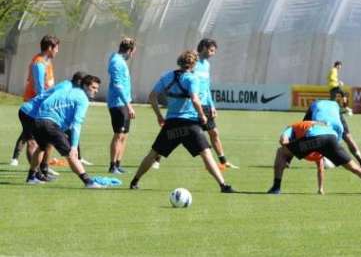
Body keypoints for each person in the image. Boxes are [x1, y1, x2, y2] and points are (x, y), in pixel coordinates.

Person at [129, 50, 235, 193]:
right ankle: (223, 185)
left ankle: (135, 181)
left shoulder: (167, 76)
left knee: (153, 153)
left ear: (179, 62)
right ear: (194, 64)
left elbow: (152, 96)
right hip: (190, 125)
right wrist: (202, 115)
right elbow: (195, 99)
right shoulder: (192, 79)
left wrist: (159, 116)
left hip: (172, 124)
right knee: (206, 154)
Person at [266, 120, 361, 196]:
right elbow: (319, 163)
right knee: (355, 168)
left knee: (280, 152)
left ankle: (276, 188)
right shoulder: (312, 124)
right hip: (332, 138)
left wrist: (287, 157)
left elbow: (283, 140)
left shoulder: (291, 127)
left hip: (314, 138)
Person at [26, 74, 103, 188]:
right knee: (71, 154)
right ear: (85, 86)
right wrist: (74, 146)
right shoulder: (83, 99)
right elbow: (77, 123)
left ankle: (31, 177)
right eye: (93, 87)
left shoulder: (66, 90)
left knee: (41, 148)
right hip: (50, 125)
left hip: (38, 121)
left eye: (97, 88)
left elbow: (46, 102)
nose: (96, 91)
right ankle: (88, 182)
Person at [10, 35, 59, 167]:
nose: (57, 51)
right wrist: (46, 104)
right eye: (56, 48)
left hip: (41, 106)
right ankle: (35, 173)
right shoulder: (39, 63)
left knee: (42, 140)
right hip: (34, 106)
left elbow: (48, 85)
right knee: (32, 141)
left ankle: (41, 169)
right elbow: (39, 88)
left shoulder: (47, 62)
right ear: (49, 48)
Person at [194, 38, 238, 170]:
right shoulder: (192, 61)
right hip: (193, 105)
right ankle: (157, 157)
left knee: (214, 132)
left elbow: (206, 86)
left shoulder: (206, 64)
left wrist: (212, 105)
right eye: (212, 50)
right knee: (183, 134)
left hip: (205, 105)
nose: (213, 53)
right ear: (204, 48)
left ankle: (223, 161)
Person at [303, 95, 361, 169]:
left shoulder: (314, 105)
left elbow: (303, 127)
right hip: (335, 115)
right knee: (348, 138)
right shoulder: (333, 104)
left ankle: (288, 160)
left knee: (314, 135)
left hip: (323, 120)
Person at [107, 37, 136, 174]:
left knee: (124, 135)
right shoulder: (117, 62)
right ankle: (112, 166)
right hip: (118, 104)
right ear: (130, 51)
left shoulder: (120, 61)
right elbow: (118, 86)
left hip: (124, 103)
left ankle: (118, 164)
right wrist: (128, 105)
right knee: (118, 135)